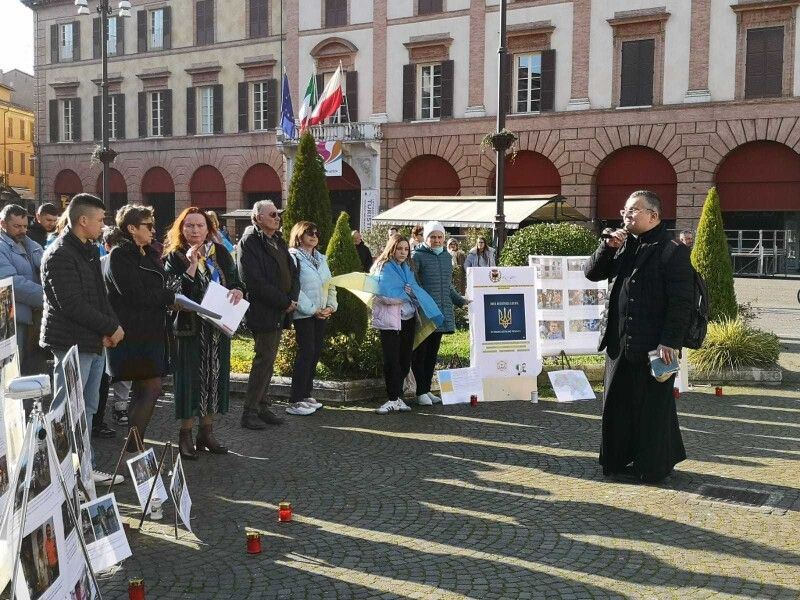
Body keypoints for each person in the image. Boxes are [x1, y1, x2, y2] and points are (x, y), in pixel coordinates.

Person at [584, 190, 694, 484]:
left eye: (633, 210)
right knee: (616, 404)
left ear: (653, 215)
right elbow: (592, 273)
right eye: (625, 210)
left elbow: (682, 302)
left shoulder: (672, 250)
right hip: (619, 342)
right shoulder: (620, 244)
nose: (626, 215)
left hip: (655, 345)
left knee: (653, 409)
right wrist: (607, 247)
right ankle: (618, 460)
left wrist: (670, 341)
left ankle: (652, 466)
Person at [41, 193, 124, 486]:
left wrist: (112, 327)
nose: (103, 225)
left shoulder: (87, 249)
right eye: (100, 220)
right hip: (71, 343)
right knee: (67, 410)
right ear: (83, 220)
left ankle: (83, 470)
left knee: (87, 408)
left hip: (92, 340)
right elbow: (71, 304)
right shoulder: (60, 253)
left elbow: (100, 296)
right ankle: (60, 475)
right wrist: (109, 327)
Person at [165, 208, 244, 458]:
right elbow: (173, 292)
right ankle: (185, 435)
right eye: (189, 225)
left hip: (217, 328)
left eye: (200, 225)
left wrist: (238, 290)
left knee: (213, 380)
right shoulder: (175, 256)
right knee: (190, 381)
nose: (195, 230)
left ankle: (206, 433)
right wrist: (191, 265)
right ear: (181, 229)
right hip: (190, 330)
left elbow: (235, 280)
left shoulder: (219, 252)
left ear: (209, 229)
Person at [105, 205, 175, 454]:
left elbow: (156, 286)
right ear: (132, 228)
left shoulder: (147, 252)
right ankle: (135, 447)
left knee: (144, 389)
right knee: (152, 389)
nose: (153, 230)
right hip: (133, 333)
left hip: (151, 330)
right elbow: (134, 294)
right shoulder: (120, 255)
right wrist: (168, 296)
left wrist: (168, 295)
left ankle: (134, 446)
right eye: (149, 225)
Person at [236, 200, 298, 430]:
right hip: (263, 310)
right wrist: (284, 301)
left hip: (280, 308)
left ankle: (263, 407)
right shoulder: (250, 241)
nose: (277, 217)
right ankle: (249, 412)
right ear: (258, 217)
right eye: (272, 214)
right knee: (264, 360)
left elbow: (293, 272)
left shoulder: (277, 240)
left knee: (268, 360)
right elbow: (253, 280)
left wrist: (292, 298)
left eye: (278, 214)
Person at [370, 234, 443, 414]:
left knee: (404, 360)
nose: (403, 252)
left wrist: (411, 294)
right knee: (392, 360)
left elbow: (414, 291)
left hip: (408, 318)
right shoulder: (383, 267)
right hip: (390, 321)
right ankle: (392, 398)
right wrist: (405, 295)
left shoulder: (407, 268)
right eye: (399, 249)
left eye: (406, 249)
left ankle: (398, 397)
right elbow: (383, 295)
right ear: (392, 249)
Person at [411, 221, 469, 405]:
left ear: (444, 238)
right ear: (426, 238)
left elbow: (448, 285)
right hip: (425, 312)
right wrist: (422, 304)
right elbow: (413, 283)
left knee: (432, 354)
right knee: (420, 353)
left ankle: (426, 389)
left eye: (439, 237)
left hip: (441, 312)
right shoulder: (417, 256)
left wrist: (461, 300)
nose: (436, 240)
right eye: (433, 237)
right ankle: (420, 392)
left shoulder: (445, 256)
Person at [287, 221, 337, 416]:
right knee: (306, 352)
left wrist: (331, 306)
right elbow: (294, 288)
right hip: (304, 313)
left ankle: (306, 394)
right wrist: (313, 309)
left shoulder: (321, 259)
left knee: (314, 353)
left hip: (321, 313)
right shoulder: (293, 257)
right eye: (309, 232)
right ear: (299, 235)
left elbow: (330, 284)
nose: (314, 236)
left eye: (316, 233)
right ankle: (295, 399)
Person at [0, 204, 44, 374]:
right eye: (17, 226)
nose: (23, 230)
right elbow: (11, 283)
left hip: (33, 318)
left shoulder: (33, 245)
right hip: (12, 320)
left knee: (31, 372)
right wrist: (47, 297)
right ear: (3, 223)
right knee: (12, 373)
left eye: (25, 226)